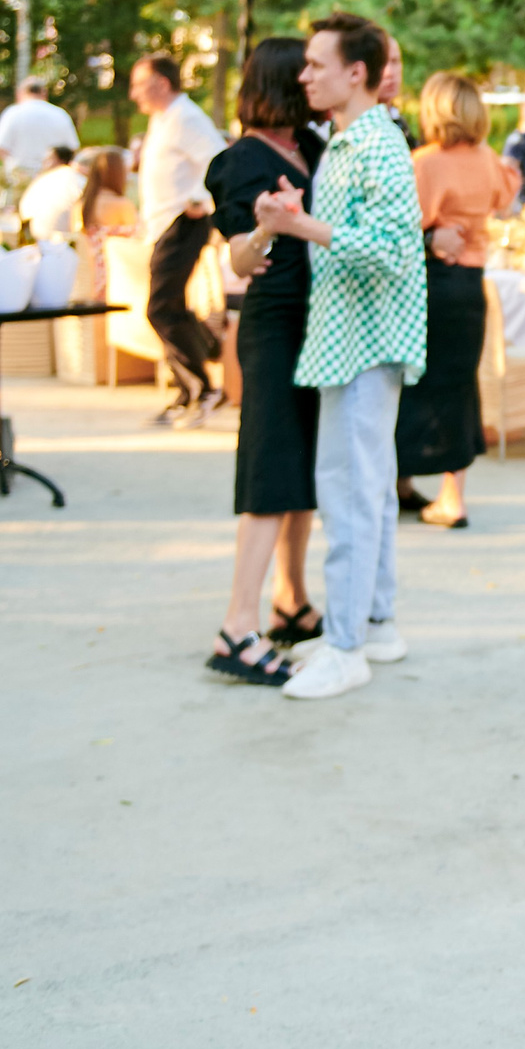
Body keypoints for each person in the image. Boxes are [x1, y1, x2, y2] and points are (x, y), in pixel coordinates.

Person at [252, 13, 428, 702]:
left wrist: (300, 225)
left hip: (363, 342)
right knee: (368, 488)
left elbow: (389, 246)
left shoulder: (375, 145)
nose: (305, 75)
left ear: (356, 73)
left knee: (350, 493)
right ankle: (374, 625)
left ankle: (349, 644)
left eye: (317, 64)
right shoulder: (357, 141)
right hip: (354, 340)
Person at [200, 39, 328, 687]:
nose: (313, 76)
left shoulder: (315, 147)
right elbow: (240, 263)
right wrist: (265, 229)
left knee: (300, 474)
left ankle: (292, 601)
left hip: (322, 324)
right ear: (281, 81)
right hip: (275, 324)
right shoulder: (240, 160)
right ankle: (237, 626)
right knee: (271, 470)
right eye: (303, 68)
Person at [396, 72, 519, 530]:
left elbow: (406, 224)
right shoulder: (489, 159)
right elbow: (506, 196)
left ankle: (402, 478)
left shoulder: (423, 163)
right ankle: (452, 495)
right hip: (471, 284)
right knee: (459, 384)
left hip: (429, 282)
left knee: (411, 379)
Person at [129, 52, 229, 428]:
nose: (134, 94)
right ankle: (188, 389)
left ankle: (203, 387)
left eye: (140, 84)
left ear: (162, 83)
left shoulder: (186, 117)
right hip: (162, 224)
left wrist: (201, 201)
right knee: (167, 306)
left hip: (181, 224)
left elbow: (218, 159)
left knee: (161, 308)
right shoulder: (163, 120)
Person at [0, 77, 80, 173]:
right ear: (44, 92)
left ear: (20, 93)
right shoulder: (60, 114)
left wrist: (13, 163)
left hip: (20, 176)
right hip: (52, 175)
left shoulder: (13, 113)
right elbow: (73, 148)